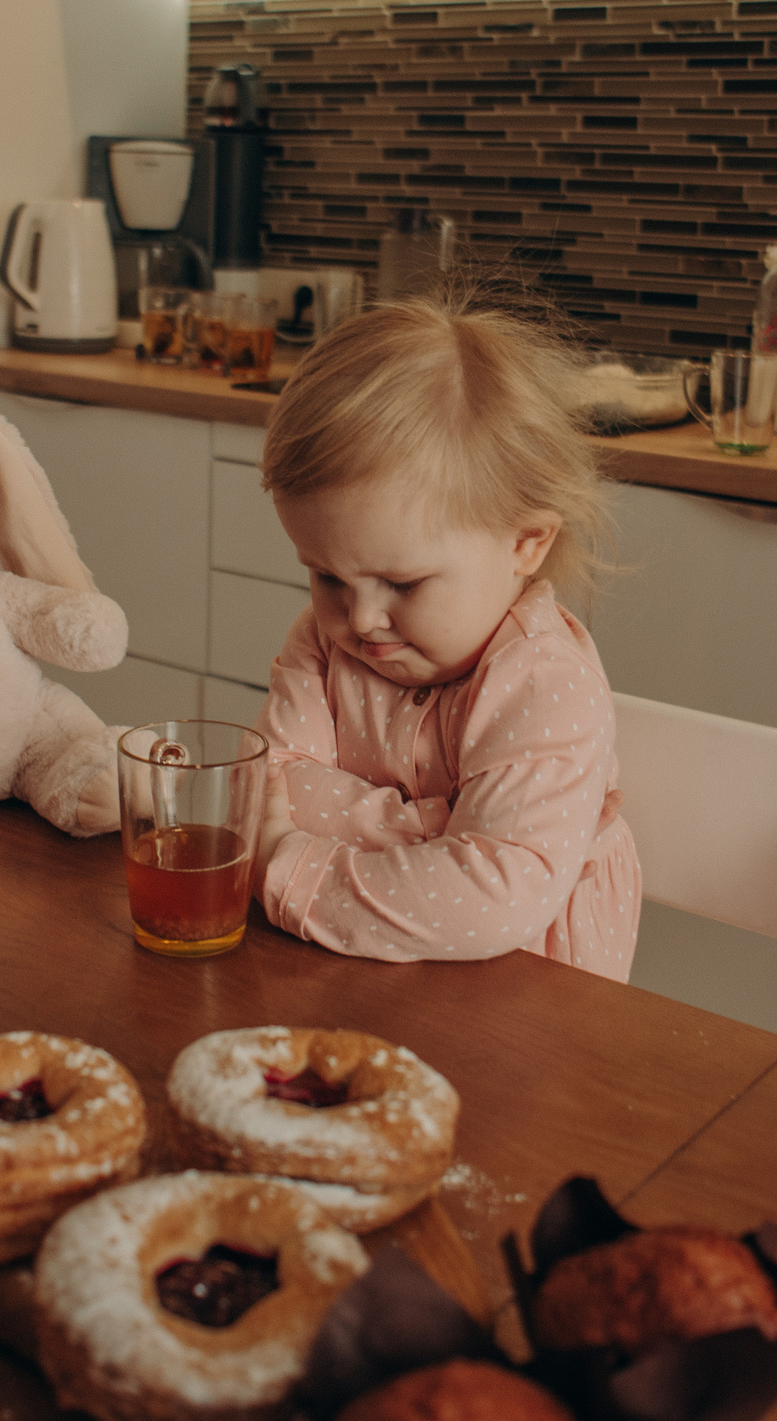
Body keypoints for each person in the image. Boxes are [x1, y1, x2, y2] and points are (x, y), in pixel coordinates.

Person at [252, 292, 640, 980]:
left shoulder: (545, 681)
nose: (361, 617)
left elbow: (492, 901)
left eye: (401, 584)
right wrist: (442, 834)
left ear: (526, 542)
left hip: (517, 1008)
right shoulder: (322, 640)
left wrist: (295, 863)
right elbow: (269, 793)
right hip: (345, 968)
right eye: (325, 575)